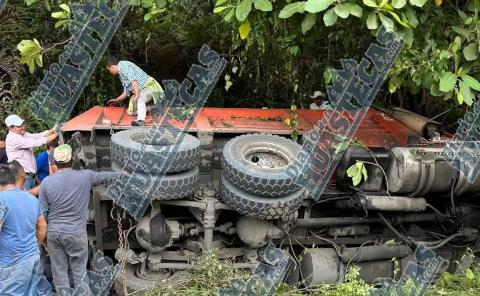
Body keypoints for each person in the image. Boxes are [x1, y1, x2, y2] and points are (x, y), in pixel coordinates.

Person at [39, 144, 121, 293]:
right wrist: (125, 174)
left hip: (54, 233)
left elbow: (42, 214)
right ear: (74, 159)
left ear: (54, 163)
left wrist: (43, 239)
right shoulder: (86, 176)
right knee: (80, 274)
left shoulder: (46, 183)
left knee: (59, 274)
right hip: (76, 233)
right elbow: (106, 176)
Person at [0, 165, 49, 295]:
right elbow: (42, 227)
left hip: (11, 261)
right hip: (32, 257)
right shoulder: (31, 198)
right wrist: (36, 244)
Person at [106, 56, 164, 126]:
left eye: (109, 70)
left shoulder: (123, 65)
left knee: (140, 98)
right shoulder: (121, 74)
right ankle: (151, 108)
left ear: (112, 66)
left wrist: (136, 94)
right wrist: (117, 100)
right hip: (140, 90)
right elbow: (126, 92)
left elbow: (133, 80)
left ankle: (141, 121)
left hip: (148, 87)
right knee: (131, 112)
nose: (110, 72)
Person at [5, 114, 57, 190]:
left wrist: (52, 130)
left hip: (29, 178)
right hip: (23, 179)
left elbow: (36, 136)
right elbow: (36, 142)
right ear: (11, 128)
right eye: (19, 126)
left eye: (22, 124)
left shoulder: (21, 134)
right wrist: (55, 134)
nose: (23, 127)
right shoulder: (13, 138)